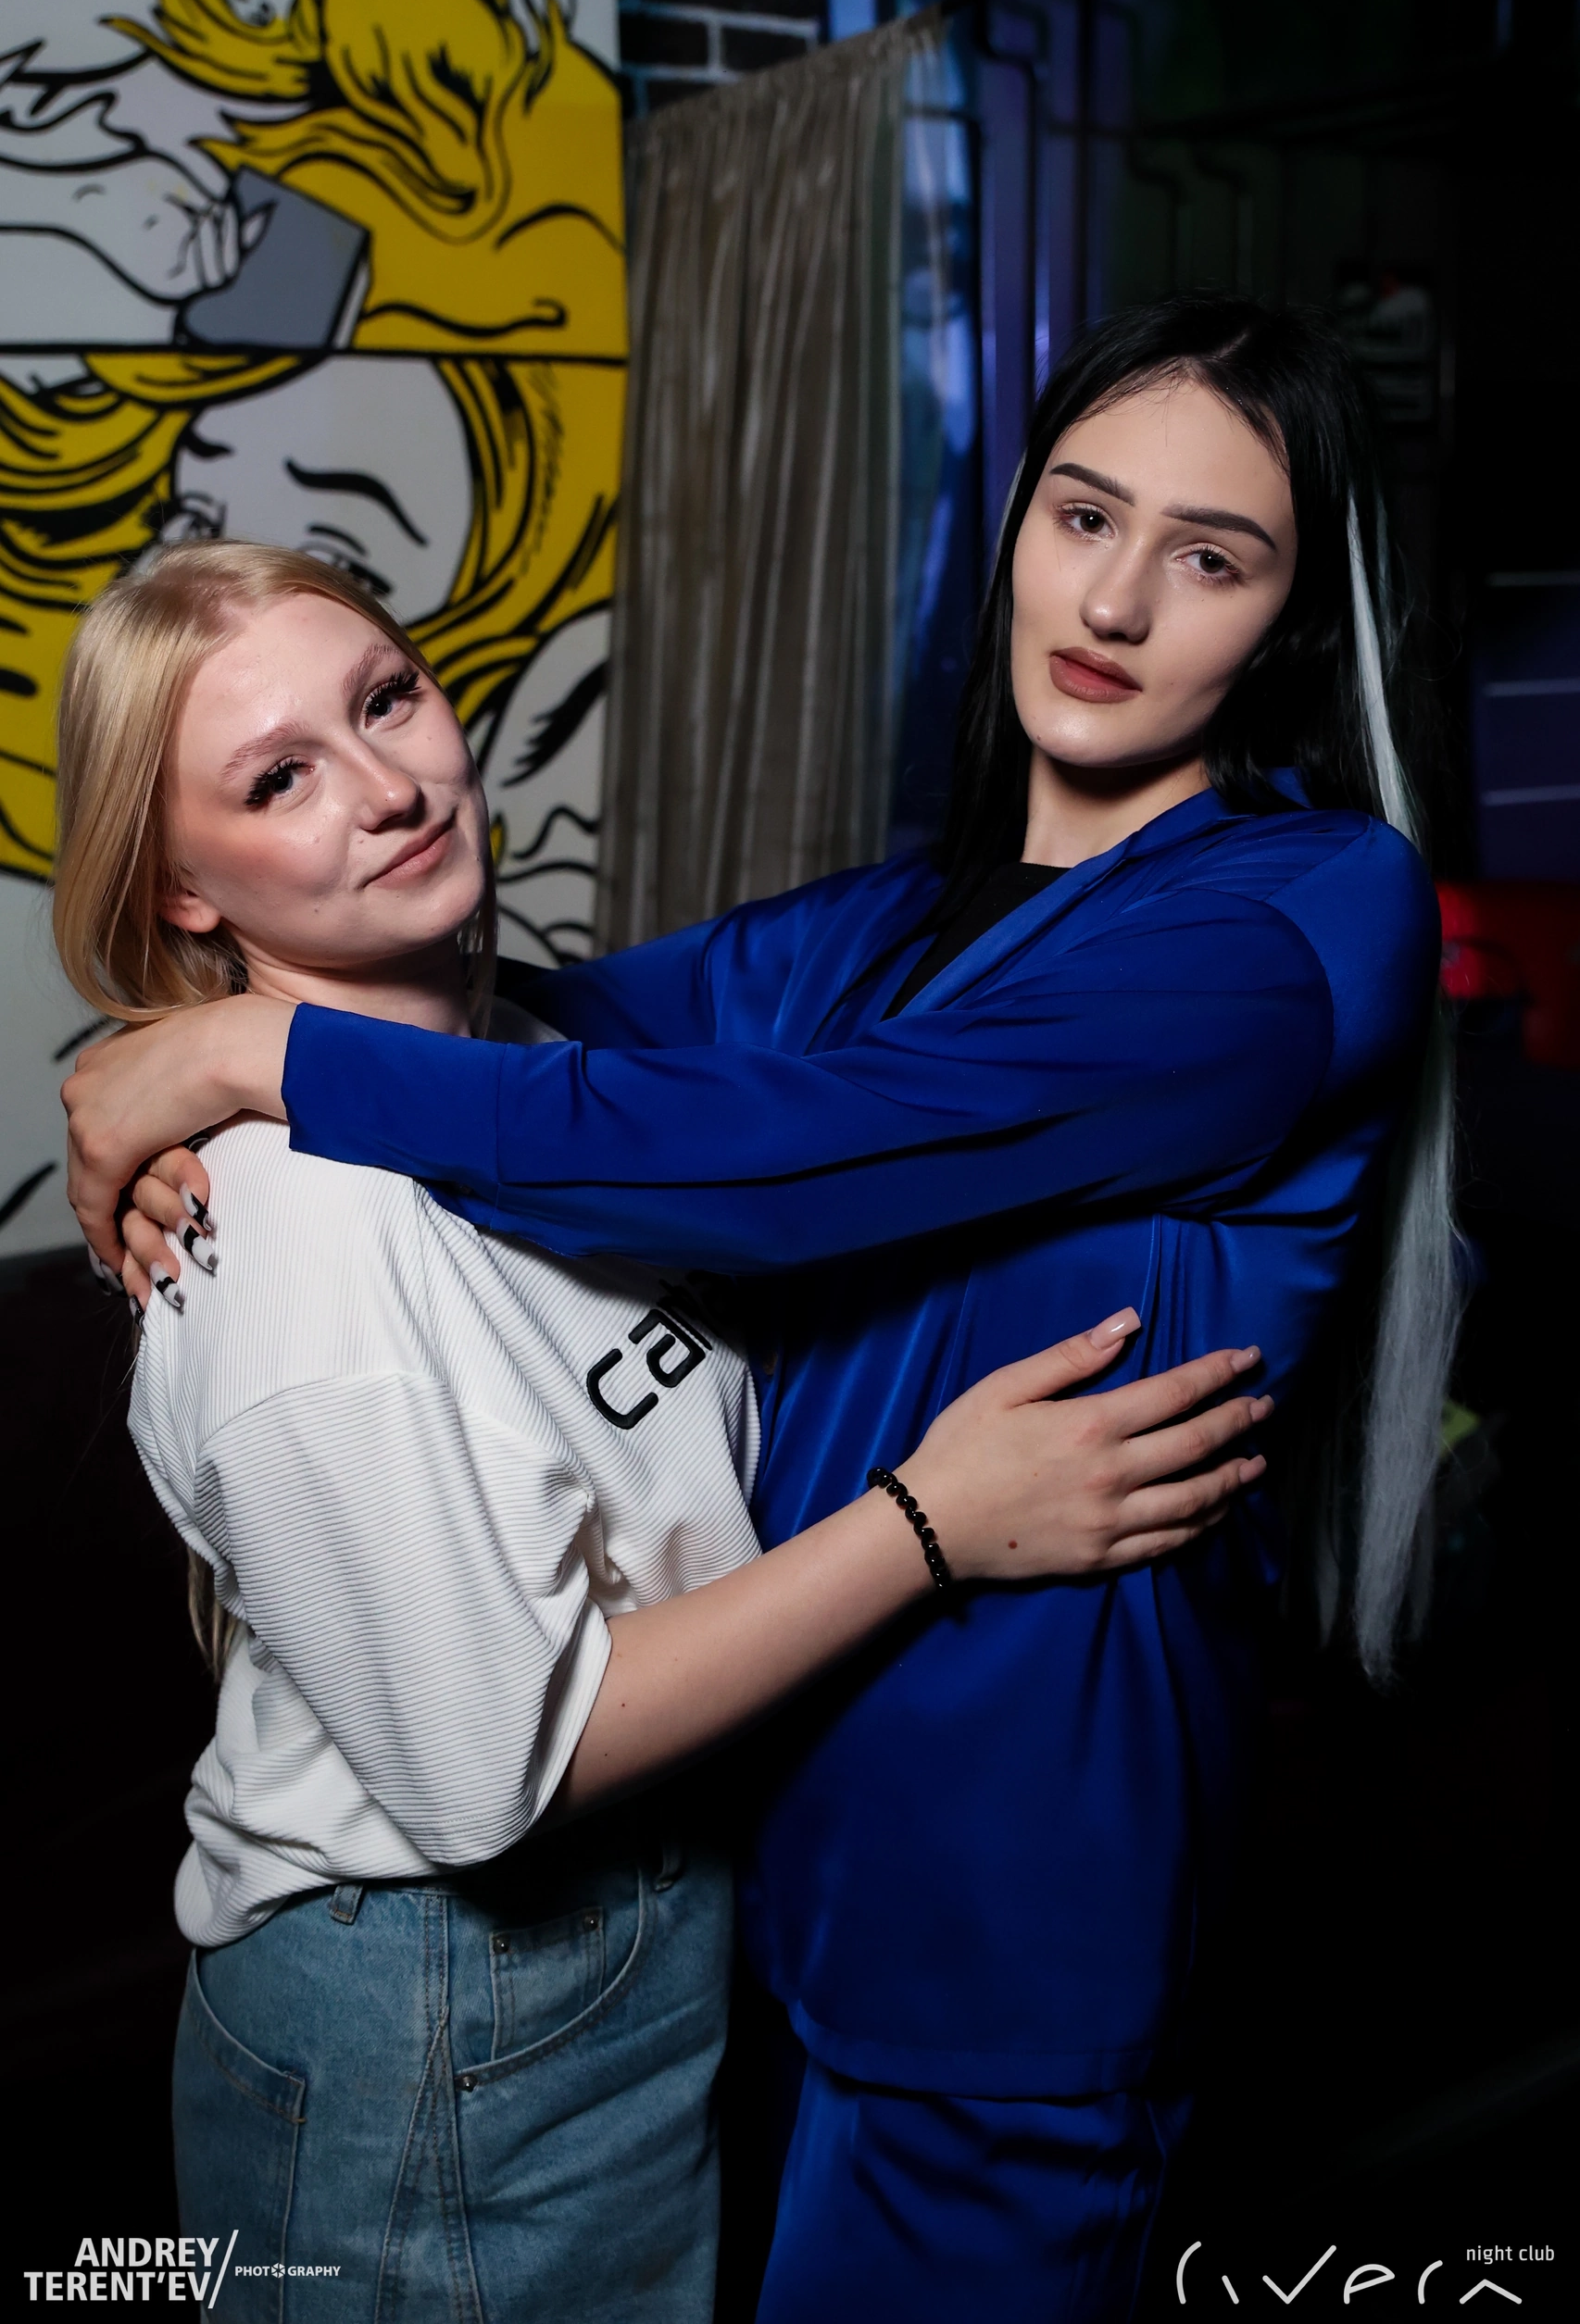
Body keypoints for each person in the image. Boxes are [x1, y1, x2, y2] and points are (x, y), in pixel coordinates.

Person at [67, 296, 1451, 2319]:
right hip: (740, 1883)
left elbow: (784, 1143)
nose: (1115, 601)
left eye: (1210, 555)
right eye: (1082, 515)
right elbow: (520, 1043)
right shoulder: (879, 933)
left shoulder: (1303, 916)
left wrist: (239, 1054)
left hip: (1007, 1908)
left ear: (1292, 621)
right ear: (1016, 526)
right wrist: (177, 1045)